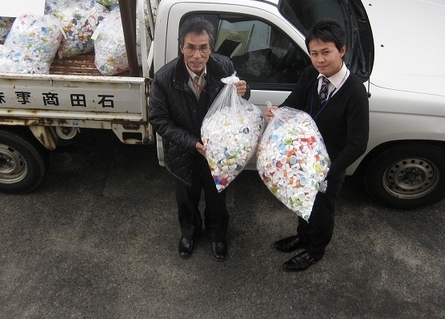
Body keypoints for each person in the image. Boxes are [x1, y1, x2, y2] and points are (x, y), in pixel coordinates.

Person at [266, 19, 369, 271]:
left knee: (322, 210)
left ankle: (315, 250)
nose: (320, 60)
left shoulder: (354, 93)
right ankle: (303, 236)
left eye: (326, 52)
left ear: (342, 50)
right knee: (301, 201)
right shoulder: (312, 74)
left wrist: (329, 171)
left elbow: (358, 143)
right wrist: (279, 112)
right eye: (314, 53)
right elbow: (295, 102)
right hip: (302, 157)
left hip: (329, 167)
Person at [149, 17, 249, 261]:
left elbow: (236, 102)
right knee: (186, 198)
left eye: (203, 47)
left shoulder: (223, 67)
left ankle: (217, 236)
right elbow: (159, 119)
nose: (197, 55)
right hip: (184, 152)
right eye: (190, 47)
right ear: (181, 47)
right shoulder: (165, 78)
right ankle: (189, 234)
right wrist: (192, 144)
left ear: (211, 48)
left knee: (217, 199)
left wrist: (245, 91)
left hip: (217, 153)